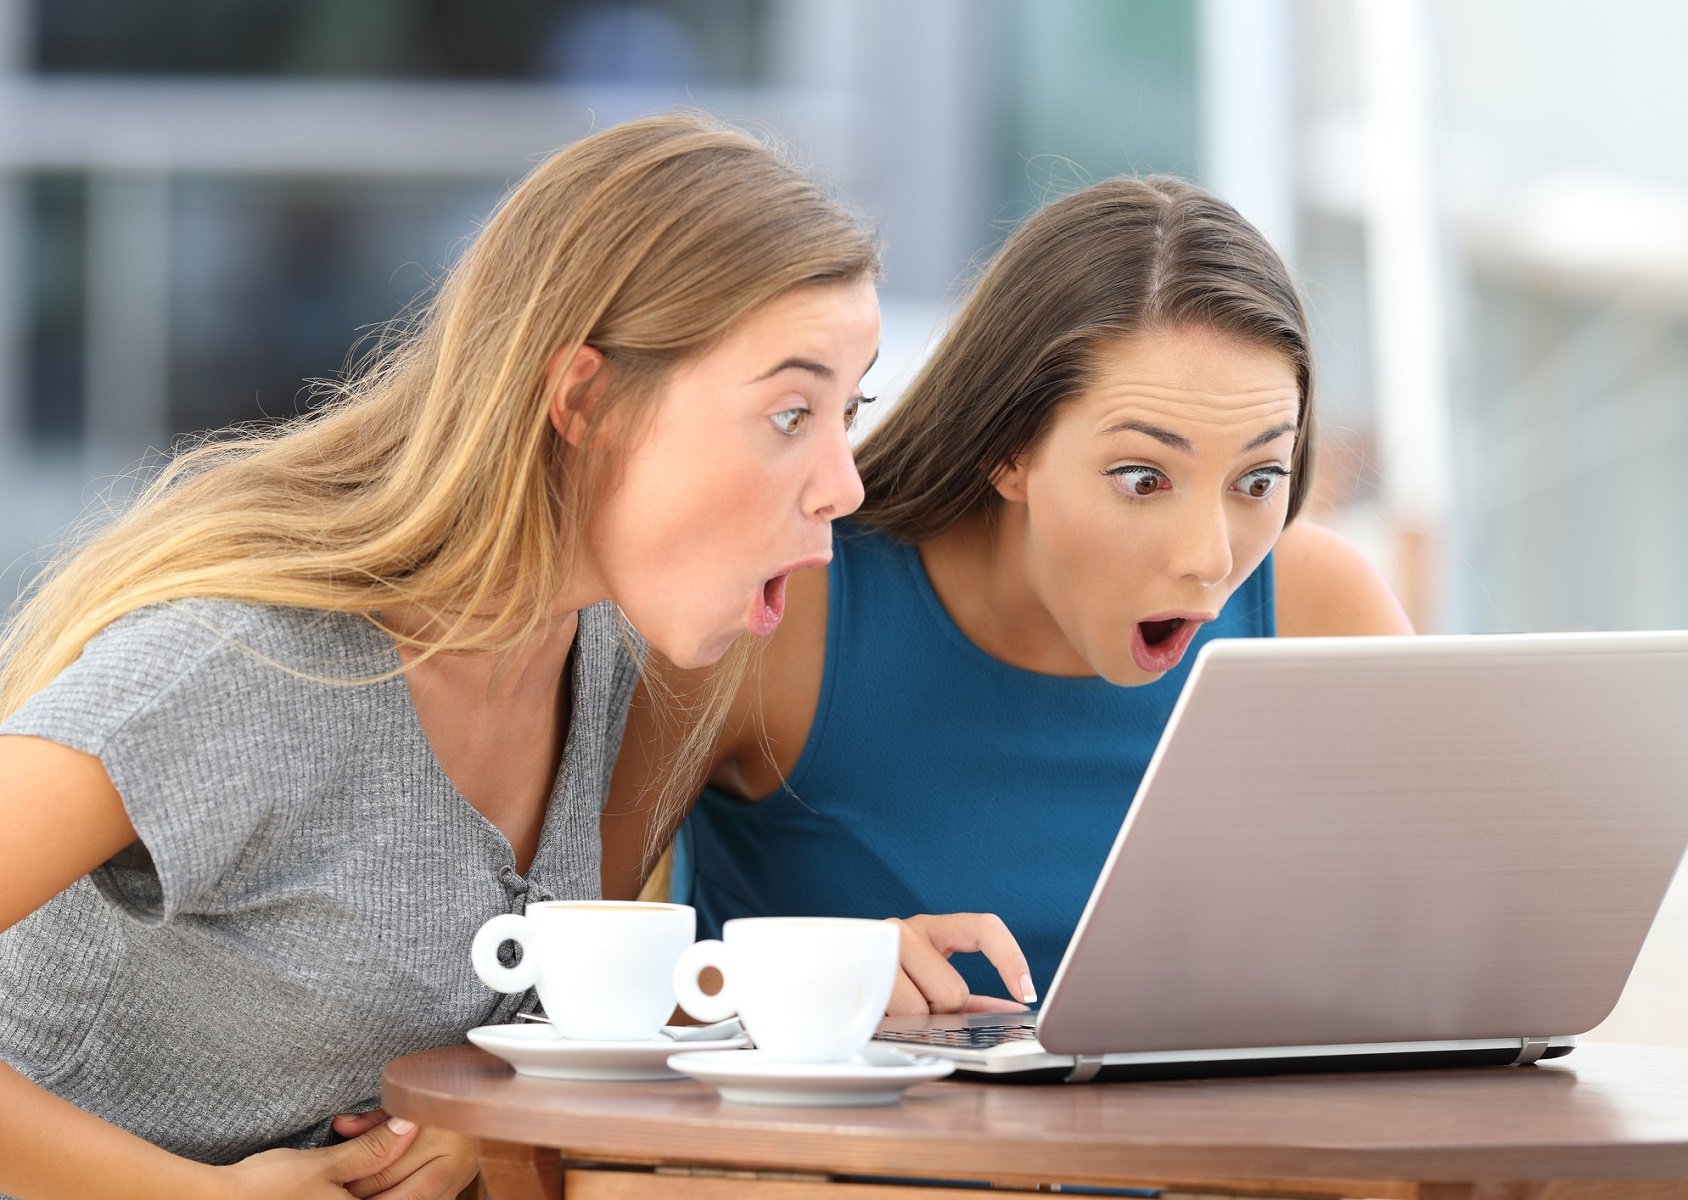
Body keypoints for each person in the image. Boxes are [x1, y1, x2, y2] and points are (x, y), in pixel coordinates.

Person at [0, 112, 880, 1200]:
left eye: (853, 407)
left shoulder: (609, 655)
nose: (845, 482)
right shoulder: (247, 666)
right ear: (585, 400)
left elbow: (552, 1017)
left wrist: (829, 992)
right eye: (792, 411)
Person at [602, 176, 1414, 1016]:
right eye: (1143, 479)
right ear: (1009, 452)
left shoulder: (1319, 611)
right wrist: (808, 984)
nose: (1210, 558)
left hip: (1235, 1146)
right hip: (861, 1149)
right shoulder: (782, 611)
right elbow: (553, 988)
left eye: (1258, 478)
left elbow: (1466, 955)